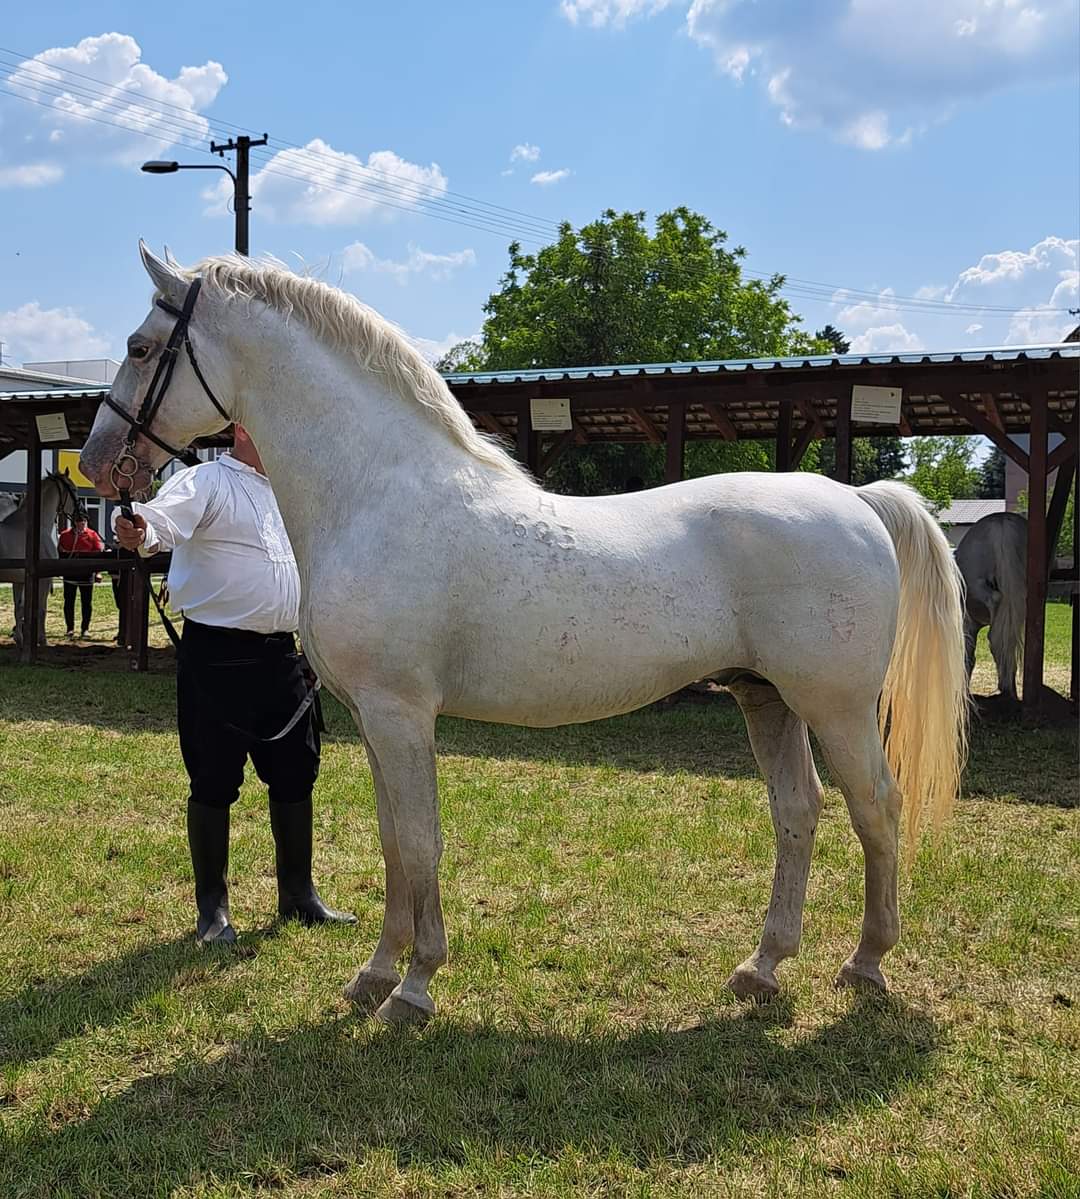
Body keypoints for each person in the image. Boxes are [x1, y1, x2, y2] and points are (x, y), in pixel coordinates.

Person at [114, 427, 355, 945]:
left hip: (284, 655)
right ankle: (213, 913)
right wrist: (138, 532)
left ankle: (298, 896)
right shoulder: (206, 481)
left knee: (296, 774)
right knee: (213, 778)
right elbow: (158, 524)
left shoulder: (293, 492)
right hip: (216, 656)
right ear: (245, 429)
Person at [59, 508, 104, 638]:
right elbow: (60, 553)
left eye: (83, 521)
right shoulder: (65, 535)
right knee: (69, 601)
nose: (81, 523)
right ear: (74, 522)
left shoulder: (92, 535)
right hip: (70, 573)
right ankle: (70, 629)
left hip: (86, 573)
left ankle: (85, 629)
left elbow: (98, 555)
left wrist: (98, 573)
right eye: (79, 521)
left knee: (86, 602)